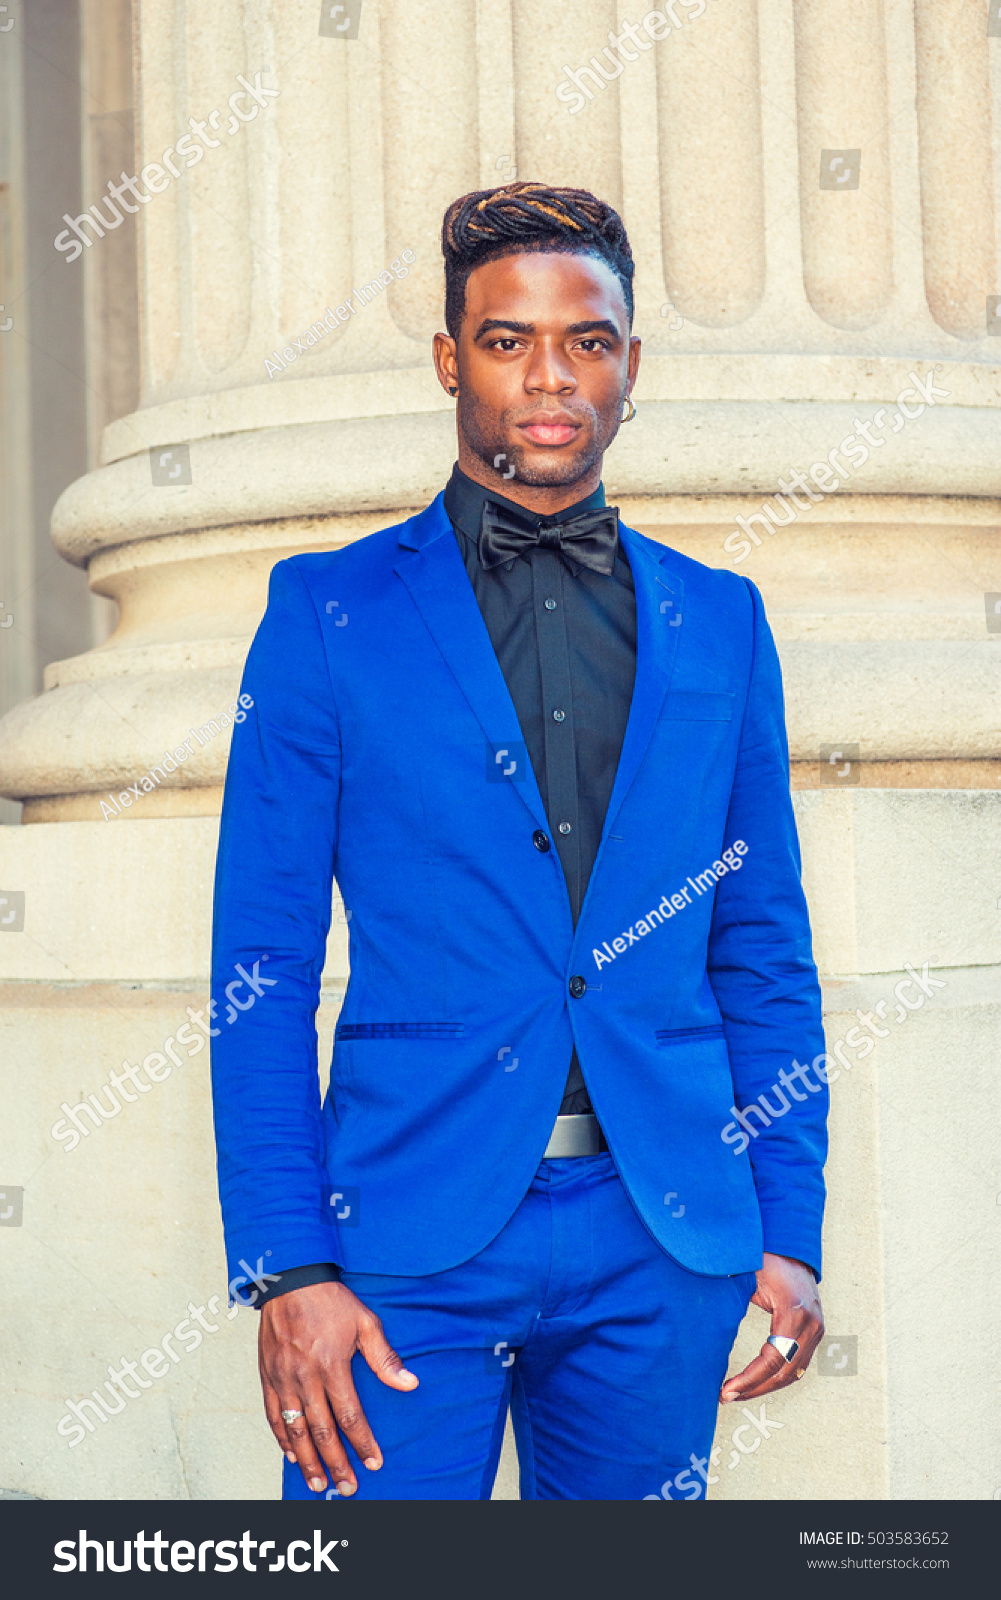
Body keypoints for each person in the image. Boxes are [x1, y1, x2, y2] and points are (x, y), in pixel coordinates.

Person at [210, 181, 827, 1502]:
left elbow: (761, 942)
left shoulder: (721, 620)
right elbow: (256, 961)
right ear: (450, 359)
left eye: (586, 339)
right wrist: (288, 1266)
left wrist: (789, 1229)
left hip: (658, 1233)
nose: (551, 377)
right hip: (399, 1245)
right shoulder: (324, 613)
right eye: (507, 339)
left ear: (629, 365)